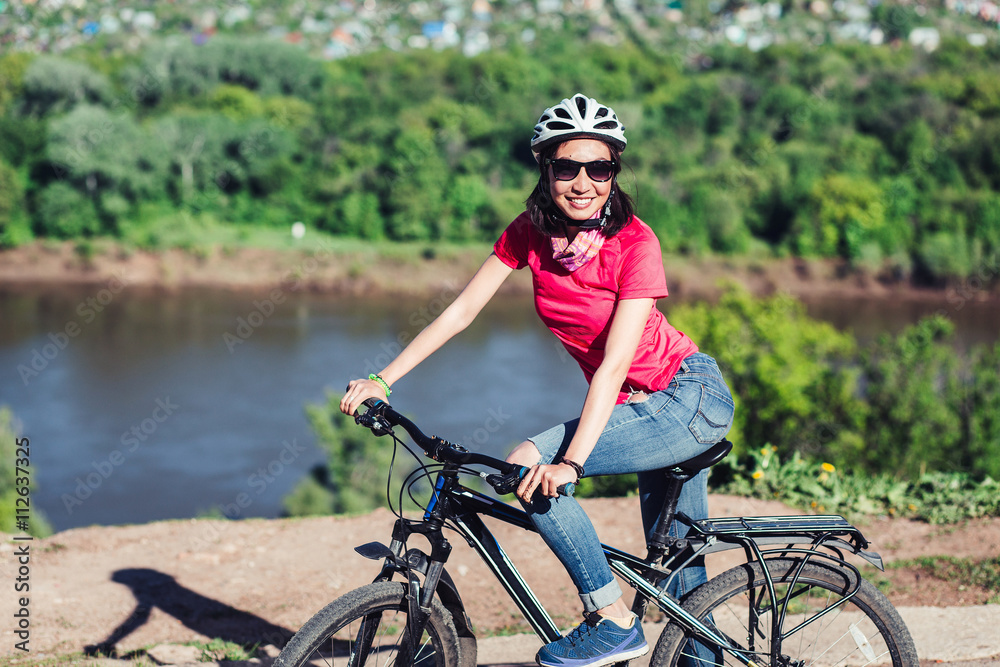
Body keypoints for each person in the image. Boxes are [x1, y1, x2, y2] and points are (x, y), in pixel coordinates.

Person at [341, 93, 735, 667]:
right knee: (679, 576)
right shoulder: (530, 233)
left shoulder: (634, 245)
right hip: (637, 406)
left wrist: (569, 463)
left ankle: (611, 618)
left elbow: (614, 370)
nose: (582, 182)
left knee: (531, 467)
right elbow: (461, 313)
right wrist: (383, 379)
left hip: (685, 399)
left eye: (597, 168)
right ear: (545, 169)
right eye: (566, 167)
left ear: (613, 173)